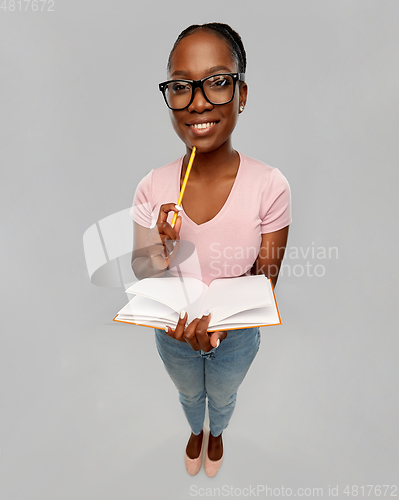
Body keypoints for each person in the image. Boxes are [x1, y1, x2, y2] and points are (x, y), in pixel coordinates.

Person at [130, 22, 291, 477]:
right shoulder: (153, 186)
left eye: (218, 82)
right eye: (181, 87)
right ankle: (195, 431)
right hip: (172, 332)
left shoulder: (270, 185)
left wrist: (218, 322)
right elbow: (144, 270)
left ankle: (216, 432)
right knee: (187, 395)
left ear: (241, 94)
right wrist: (161, 249)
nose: (198, 101)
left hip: (235, 335)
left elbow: (266, 279)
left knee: (221, 396)